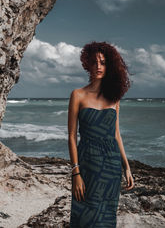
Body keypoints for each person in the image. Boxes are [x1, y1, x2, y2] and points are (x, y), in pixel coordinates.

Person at [67, 41, 134, 227]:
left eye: (103, 62)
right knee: (84, 215)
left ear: (109, 66)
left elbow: (116, 135)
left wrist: (126, 167)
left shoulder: (114, 98)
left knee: (106, 217)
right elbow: (72, 136)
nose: (98, 66)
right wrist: (75, 173)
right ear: (87, 63)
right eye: (95, 62)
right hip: (88, 163)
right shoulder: (78, 95)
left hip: (111, 166)